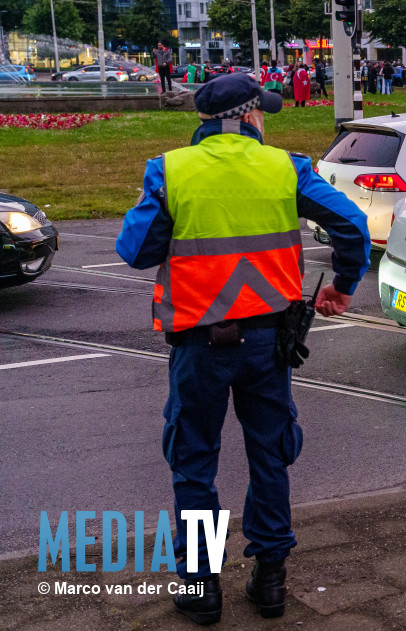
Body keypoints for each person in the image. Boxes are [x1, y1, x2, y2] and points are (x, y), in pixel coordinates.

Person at [115, 74, 370, 626]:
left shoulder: (170, 170)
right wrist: (343, 286)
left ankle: (203, 588)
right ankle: (271, 580)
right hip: (269, 345)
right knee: (270, 454)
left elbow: (136, 250)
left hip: (198, 347)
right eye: (265, 115)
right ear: (251, 117)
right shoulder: (287, 168)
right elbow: (351, 223)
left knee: (194, 462)